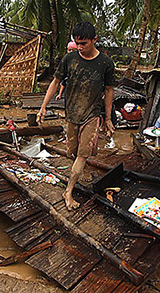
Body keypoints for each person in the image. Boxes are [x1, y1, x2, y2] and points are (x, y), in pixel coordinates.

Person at [37, 22, 115, 210]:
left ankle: (68, 192)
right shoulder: (69, 59)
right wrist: (43, 107)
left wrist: (108, 118)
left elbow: (109, 90)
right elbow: (55, 82)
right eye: (77, 43)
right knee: (72, 152)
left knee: (82, 155)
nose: (80, 47)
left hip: (92, 114)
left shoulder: (105, 63)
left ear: (94, 40)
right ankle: (77, 172)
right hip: (71, 114)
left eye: (84, 43)